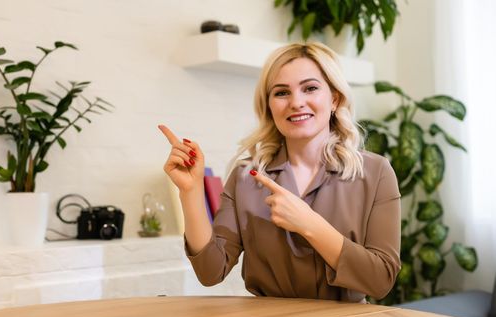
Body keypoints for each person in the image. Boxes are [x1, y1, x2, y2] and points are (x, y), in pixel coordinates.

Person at [159, 42, 400, 303]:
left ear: (334, 98)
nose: (296, 102)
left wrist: (310, 224)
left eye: (310, 88)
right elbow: (210, 272)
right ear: (269, 106)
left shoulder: (376, 173)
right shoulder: (245, 178)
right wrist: (190, 191)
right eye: (282, 93)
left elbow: (380, 280)